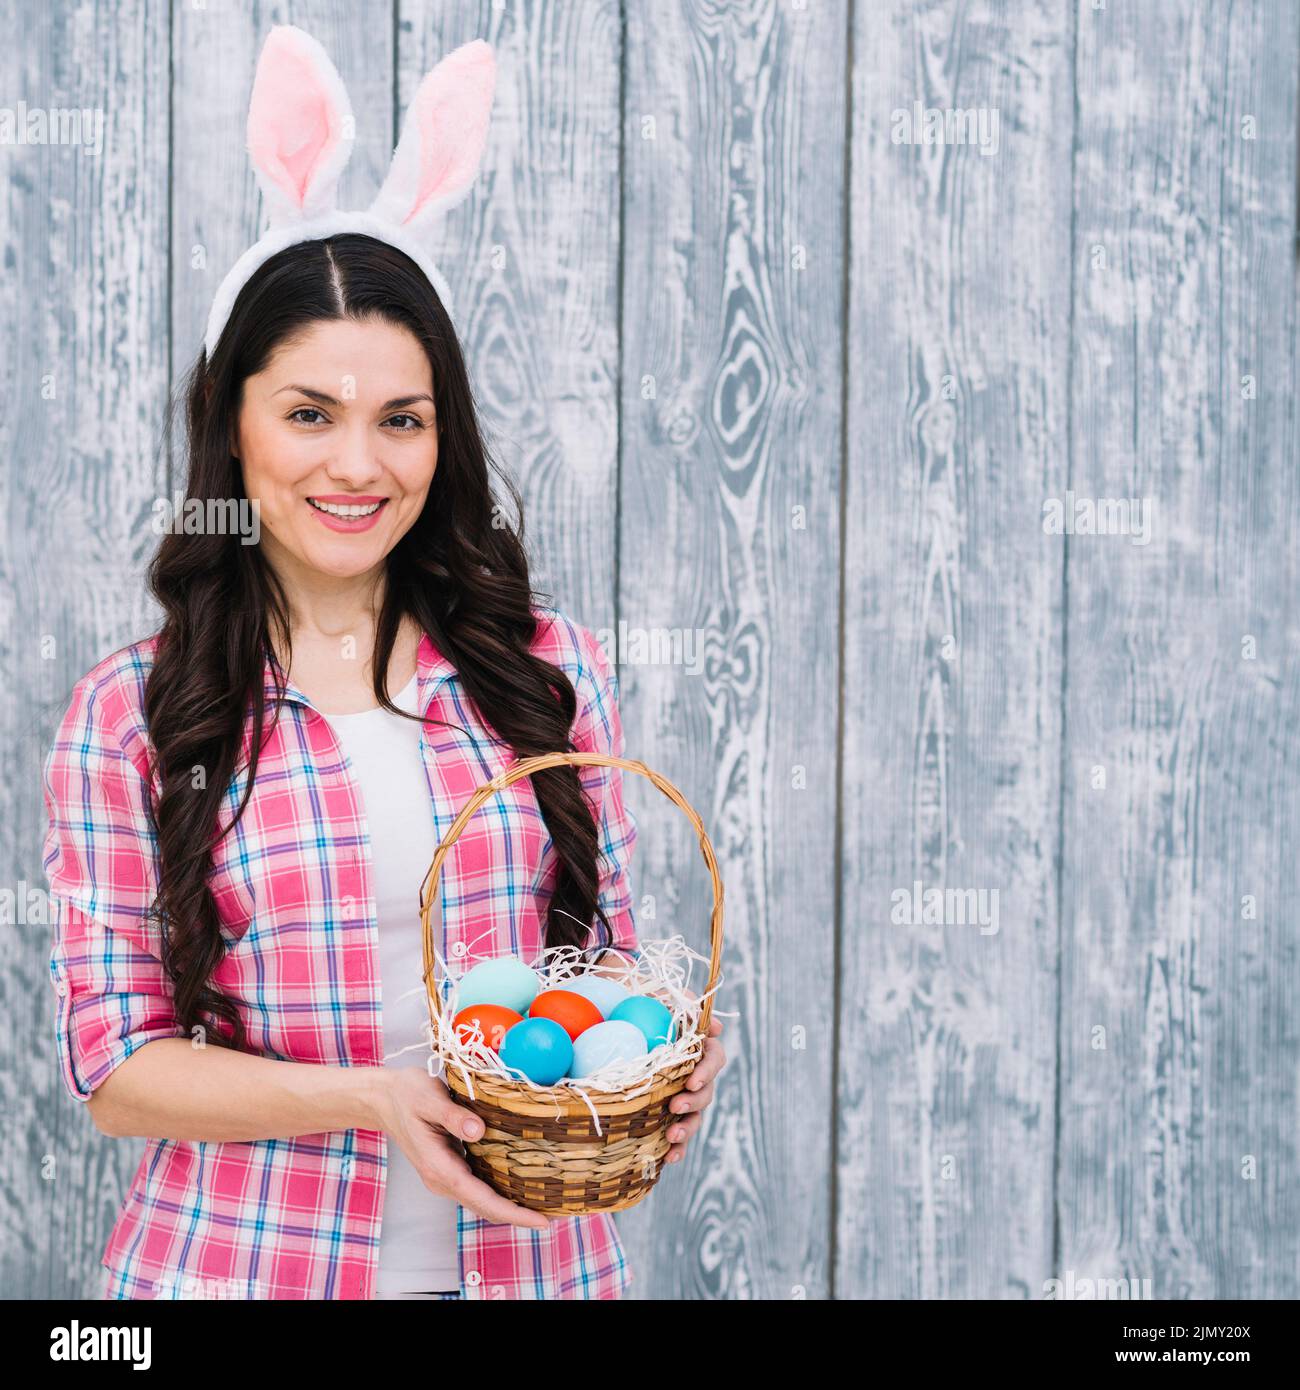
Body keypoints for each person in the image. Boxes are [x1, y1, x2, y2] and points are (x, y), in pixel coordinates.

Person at [40, 27, 724, 1300]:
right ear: (229, 422)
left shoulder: (544, 669)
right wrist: (374, 1097)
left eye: (400, 420)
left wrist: (665, 1059)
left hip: (539, 1273)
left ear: (441, 434)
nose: (358, 466)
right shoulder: (132, 713)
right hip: (242, 1271)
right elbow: (118, 1073)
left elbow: (614, 964)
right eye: (309, 413)